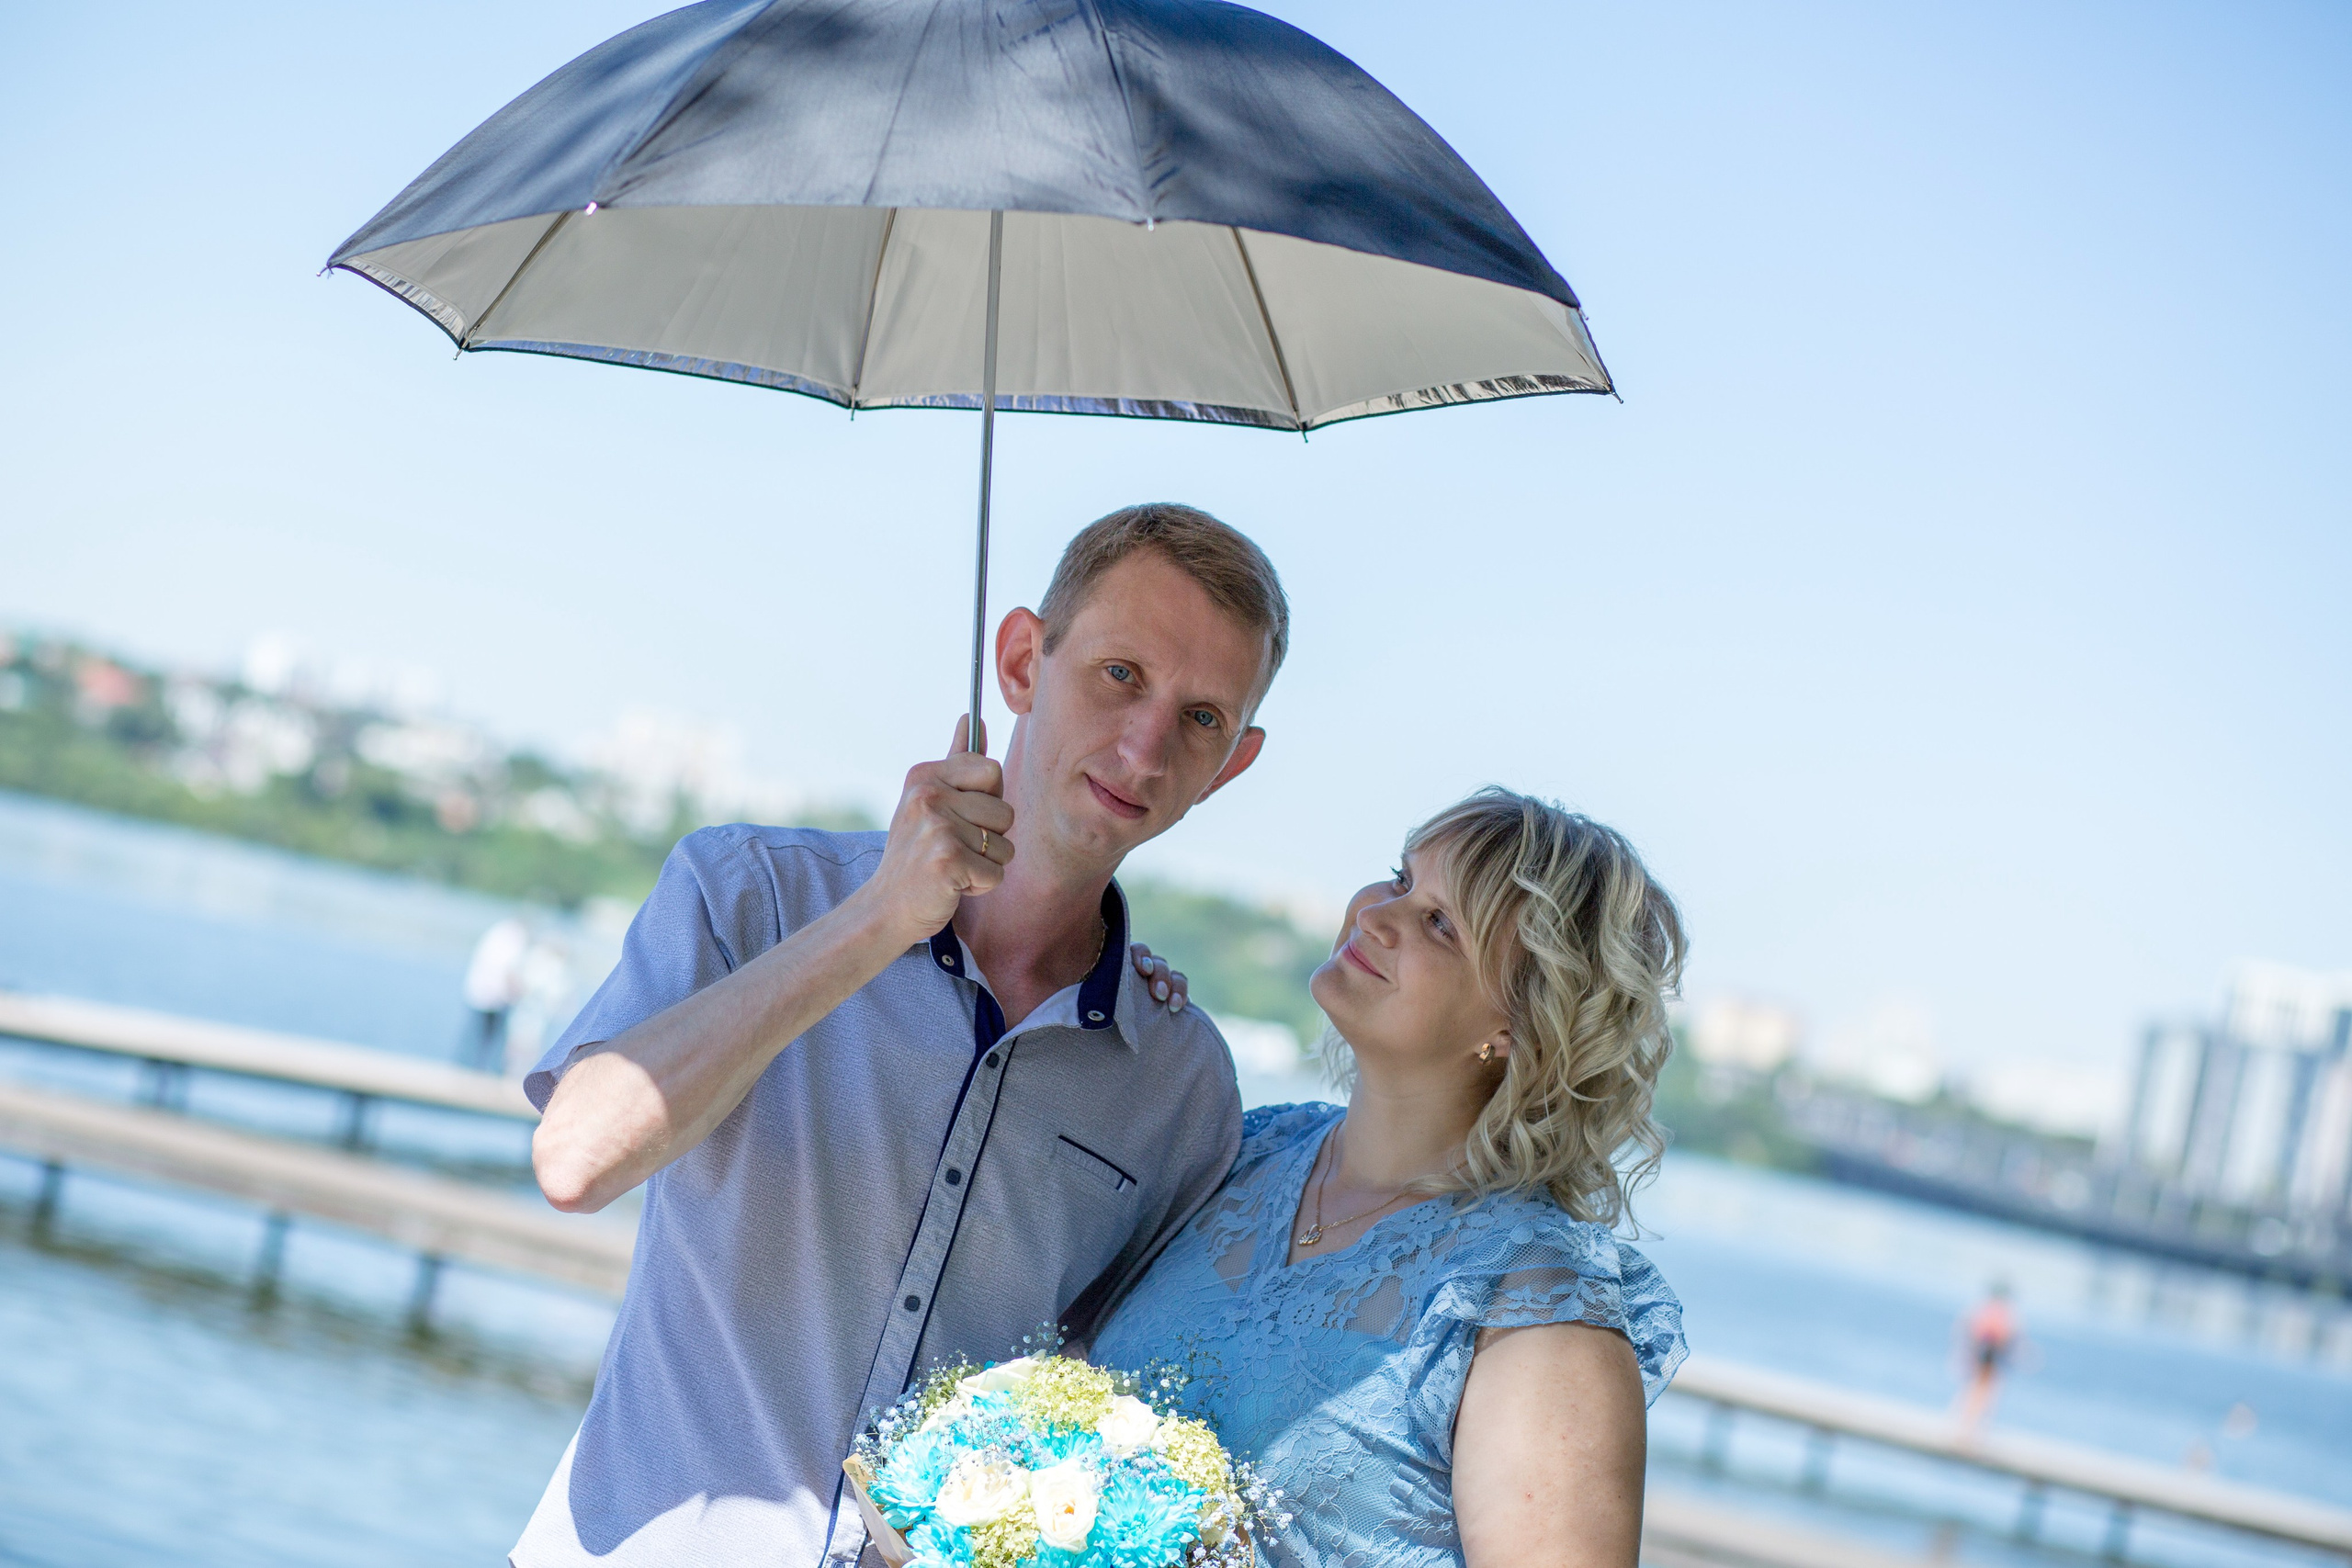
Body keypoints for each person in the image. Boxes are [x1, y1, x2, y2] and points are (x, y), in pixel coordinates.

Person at [510, 504, 1286, 1568]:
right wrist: (878, 919)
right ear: (1021, 662)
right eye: (1120, 675)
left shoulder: (1182, 1084)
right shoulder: (750, 892)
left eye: (1200, 718)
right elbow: (574, 1159)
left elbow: (1100, 1415)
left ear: (1232, 763)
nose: (1145, 747)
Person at [1093, 789, 1689, 1568]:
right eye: (1401, 879)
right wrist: (1114, 1012)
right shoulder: (1242, 1149)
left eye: (1440, 923)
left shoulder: (1535, 1307)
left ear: (1518, 1022)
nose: (1376, 914)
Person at [460, 916, 530, 1069]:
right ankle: (489, 1071)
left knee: (474, 1037)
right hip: (495, 996)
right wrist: (520, 992)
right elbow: (509, 970)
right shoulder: (513, 940)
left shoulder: (496, 933)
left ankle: (466, 1067)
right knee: (496, 1040)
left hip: (479, 992)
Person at [1955, 1280, 2021, 1434]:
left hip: (1985, 1352)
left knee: (1976, 1388)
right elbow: (2003, 1338)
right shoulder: (2002, 1314)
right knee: (1984, 1389)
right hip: (1990, 1353)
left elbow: (1972, 1332)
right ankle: (1970, 1426)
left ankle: (1967, 1425)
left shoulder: (1984, 1310)